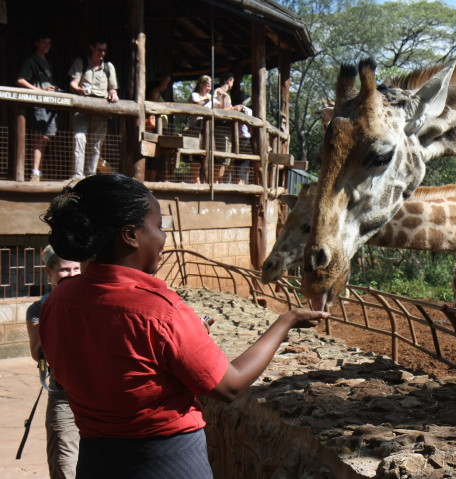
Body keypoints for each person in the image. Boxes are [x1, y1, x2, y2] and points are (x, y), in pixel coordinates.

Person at [39, 173, 328, 478]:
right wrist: (285, 322)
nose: (163, 238)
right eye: (159, 226)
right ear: (130, 235)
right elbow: (230, 386)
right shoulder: (158, 310)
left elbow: (99, 364)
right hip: (165, 461)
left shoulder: (58, 301)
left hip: (95, 460)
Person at [26, 246, 82, 479]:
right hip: (63, 397)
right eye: (64, 270)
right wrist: (55, 313)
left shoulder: (93, 302)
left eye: (76, 269)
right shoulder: (38, 309)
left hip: (100, 397)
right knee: (64, 465)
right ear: (49, 273)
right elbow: (38, 354)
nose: (71, 275)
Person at [67, 39, 119, 180]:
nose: (102, 53)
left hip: (101, 110)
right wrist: (79, 89)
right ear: (92, 48)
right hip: (82, 108)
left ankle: (90, 177)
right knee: (79, 138)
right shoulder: (81, 62)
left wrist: (113, 95)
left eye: (104, 50)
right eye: (99, 50)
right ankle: (77, 176)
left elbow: (112, 89)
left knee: (96, 143)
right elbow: (73, 83)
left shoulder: (109, 67)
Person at [17, 33, 59, 183]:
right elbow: (21, 80)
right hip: (39, 104)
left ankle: (39, 172)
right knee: (39, 137)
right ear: (36, 43)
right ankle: (34, 173)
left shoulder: (47, 62)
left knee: (46, 138)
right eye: (44, 42)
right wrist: (40, 91)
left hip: (50, 104)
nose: (47, 45)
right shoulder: (31, 61)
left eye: (49, 43)